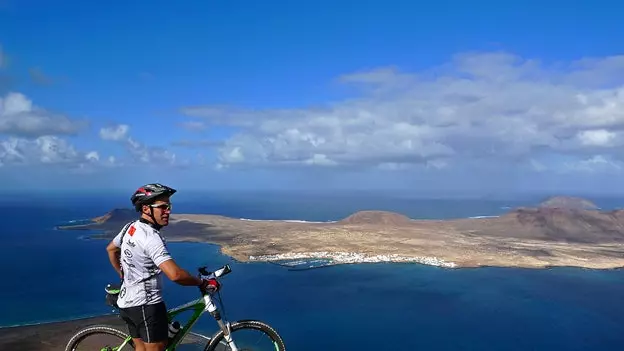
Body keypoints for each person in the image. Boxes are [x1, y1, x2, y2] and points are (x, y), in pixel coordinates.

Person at [106, 183, 220, 351]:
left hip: (127, 302)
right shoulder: (151, 238)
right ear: (146, 209)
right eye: (163, 207)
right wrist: (202, 283)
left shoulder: (130, 227)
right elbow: (175, 275)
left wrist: (123, 275)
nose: (168, 211)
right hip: (147, 305)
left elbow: (111, 249)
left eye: (169, 206)